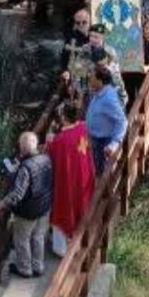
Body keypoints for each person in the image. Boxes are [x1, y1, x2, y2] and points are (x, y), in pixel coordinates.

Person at [0, 132, 53, 278]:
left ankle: (25, 269)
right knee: (38, 237)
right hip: (44, 206)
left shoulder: (25, 168)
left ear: (22, 148)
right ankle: (38, 266)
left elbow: (17, 194)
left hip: (28, 211)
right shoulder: (46, 158)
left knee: (21, 239)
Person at [44, 101, 95, 257]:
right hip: (84, 177)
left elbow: (48, 157)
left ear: (64, 118)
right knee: (81, 207)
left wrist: (49, 140)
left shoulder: (59, 141)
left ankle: (61, 250)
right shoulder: (83, 127)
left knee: (64, 209)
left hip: (67, 182)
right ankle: (80, 240)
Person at [85, 64, 127, 176]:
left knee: (103, 175)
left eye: (92, 76)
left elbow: (122, 121)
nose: (90, 78)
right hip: (95, 140)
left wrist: (114, 143)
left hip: (103, 143)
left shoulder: (109, 97)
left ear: (100, 81)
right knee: (97, 173)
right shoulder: (99, 92)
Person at [123, 16, 149, 105]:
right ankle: (129, 111)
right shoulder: (138, 40)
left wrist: (147, 67)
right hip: (134, 70)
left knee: (143, 95)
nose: (148, 31)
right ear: (143, 29)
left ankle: (140, 111)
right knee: (128, 84)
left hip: (146, 73)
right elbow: (131, 52)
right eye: (147, 28)